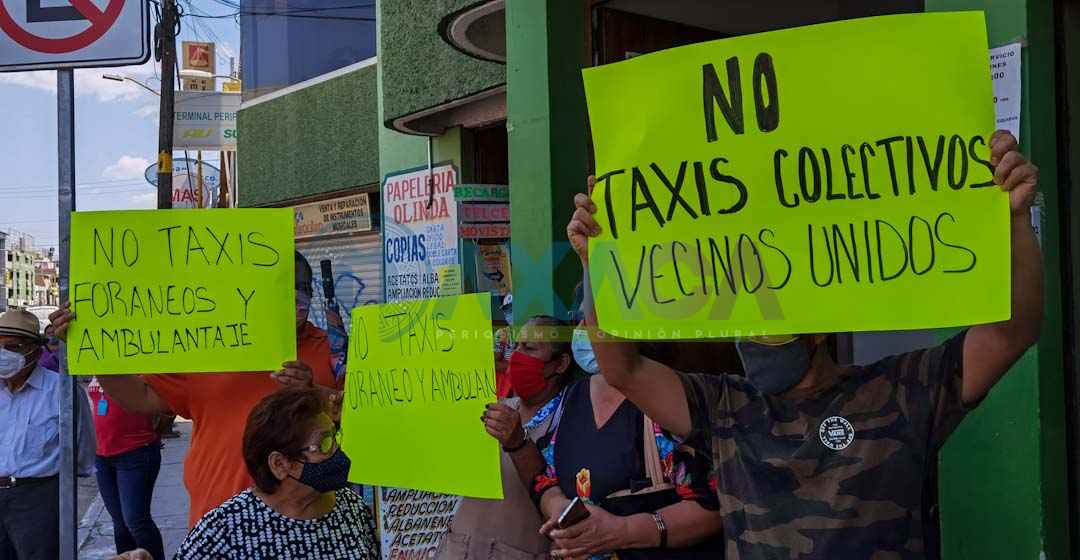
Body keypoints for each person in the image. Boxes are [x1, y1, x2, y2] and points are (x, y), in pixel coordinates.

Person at [564, 130, 1042, 558]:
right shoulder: (724, 407)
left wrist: (1015, 220)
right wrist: (598, 266)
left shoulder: (900, 391)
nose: (755, 329)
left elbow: (1011, 332)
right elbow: (623, 369)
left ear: (821, 327)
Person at [49, 251, 343, 528]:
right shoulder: (209, 343)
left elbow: (360, 418)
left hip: (310, 523)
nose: (292, 303)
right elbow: (140, 398)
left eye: (299, 293)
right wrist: (94, 348)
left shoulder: (332, 349)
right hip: (218, 521)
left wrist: (312, 392)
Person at [486, 317, 724, 559]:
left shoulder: (666, 401)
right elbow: (545, 478)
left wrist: (625, 531)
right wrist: (555, 505)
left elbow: (715, 507)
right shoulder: (569, 399)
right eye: (582, 316)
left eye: (593, 318)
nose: (581, 328)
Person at [173, 388, 377, 559]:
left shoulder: (350, 506)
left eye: (335, 437)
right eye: (323, 443)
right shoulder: (223, 531)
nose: (337, 450)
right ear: (280, 464)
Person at [436, 315, 574, 560]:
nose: (517, 356)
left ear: (561, 364)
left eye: (529, 348)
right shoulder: (495, 408)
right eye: (516, 346)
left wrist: (518, 442)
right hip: (459, 550)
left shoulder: (570, 421)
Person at [0, 309, 96, 560]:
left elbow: (83, 453)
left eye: (12, 347)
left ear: (34, 350)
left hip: (38, 501)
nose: (3, 355)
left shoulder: (61, 390)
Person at [88, 377, 165, 560]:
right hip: (102, 454)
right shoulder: (99, 363)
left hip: (135, 452)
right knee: (119, 522)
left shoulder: (136, 365)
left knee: (135, 520)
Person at [492, 293, 515, 398]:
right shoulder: (502, 334)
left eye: (513, 309)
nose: (510, 313)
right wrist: (514, 368)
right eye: (507, 310)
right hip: (508, 388)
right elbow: (493, 363)